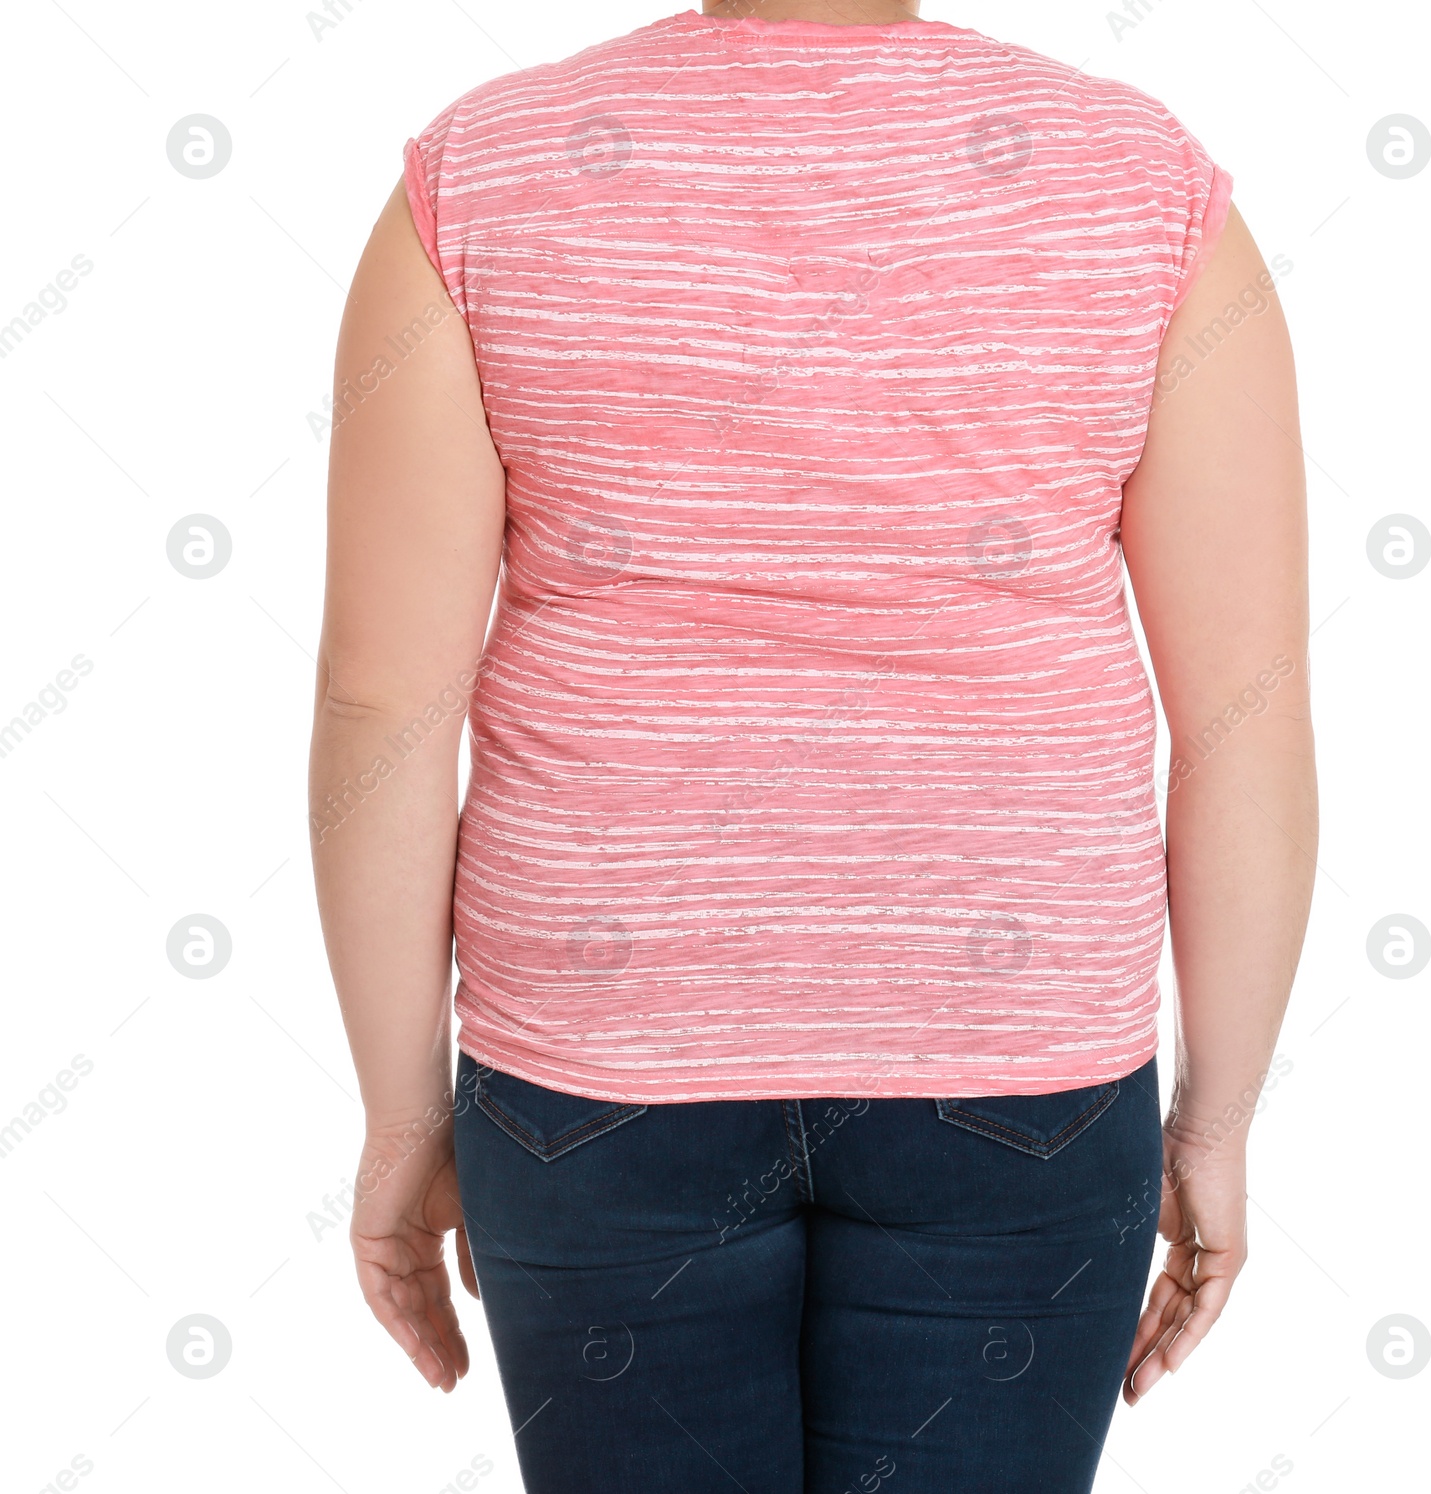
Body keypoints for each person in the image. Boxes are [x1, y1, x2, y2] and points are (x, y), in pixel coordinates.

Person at [308, 0, 1316, 1488]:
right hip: (1014, 1073)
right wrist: (1216, 1122)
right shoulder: (1144, 190)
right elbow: (1244, 717)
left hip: (602, 1070)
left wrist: (402, 1121)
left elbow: (384, 712)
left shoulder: (480, 181)